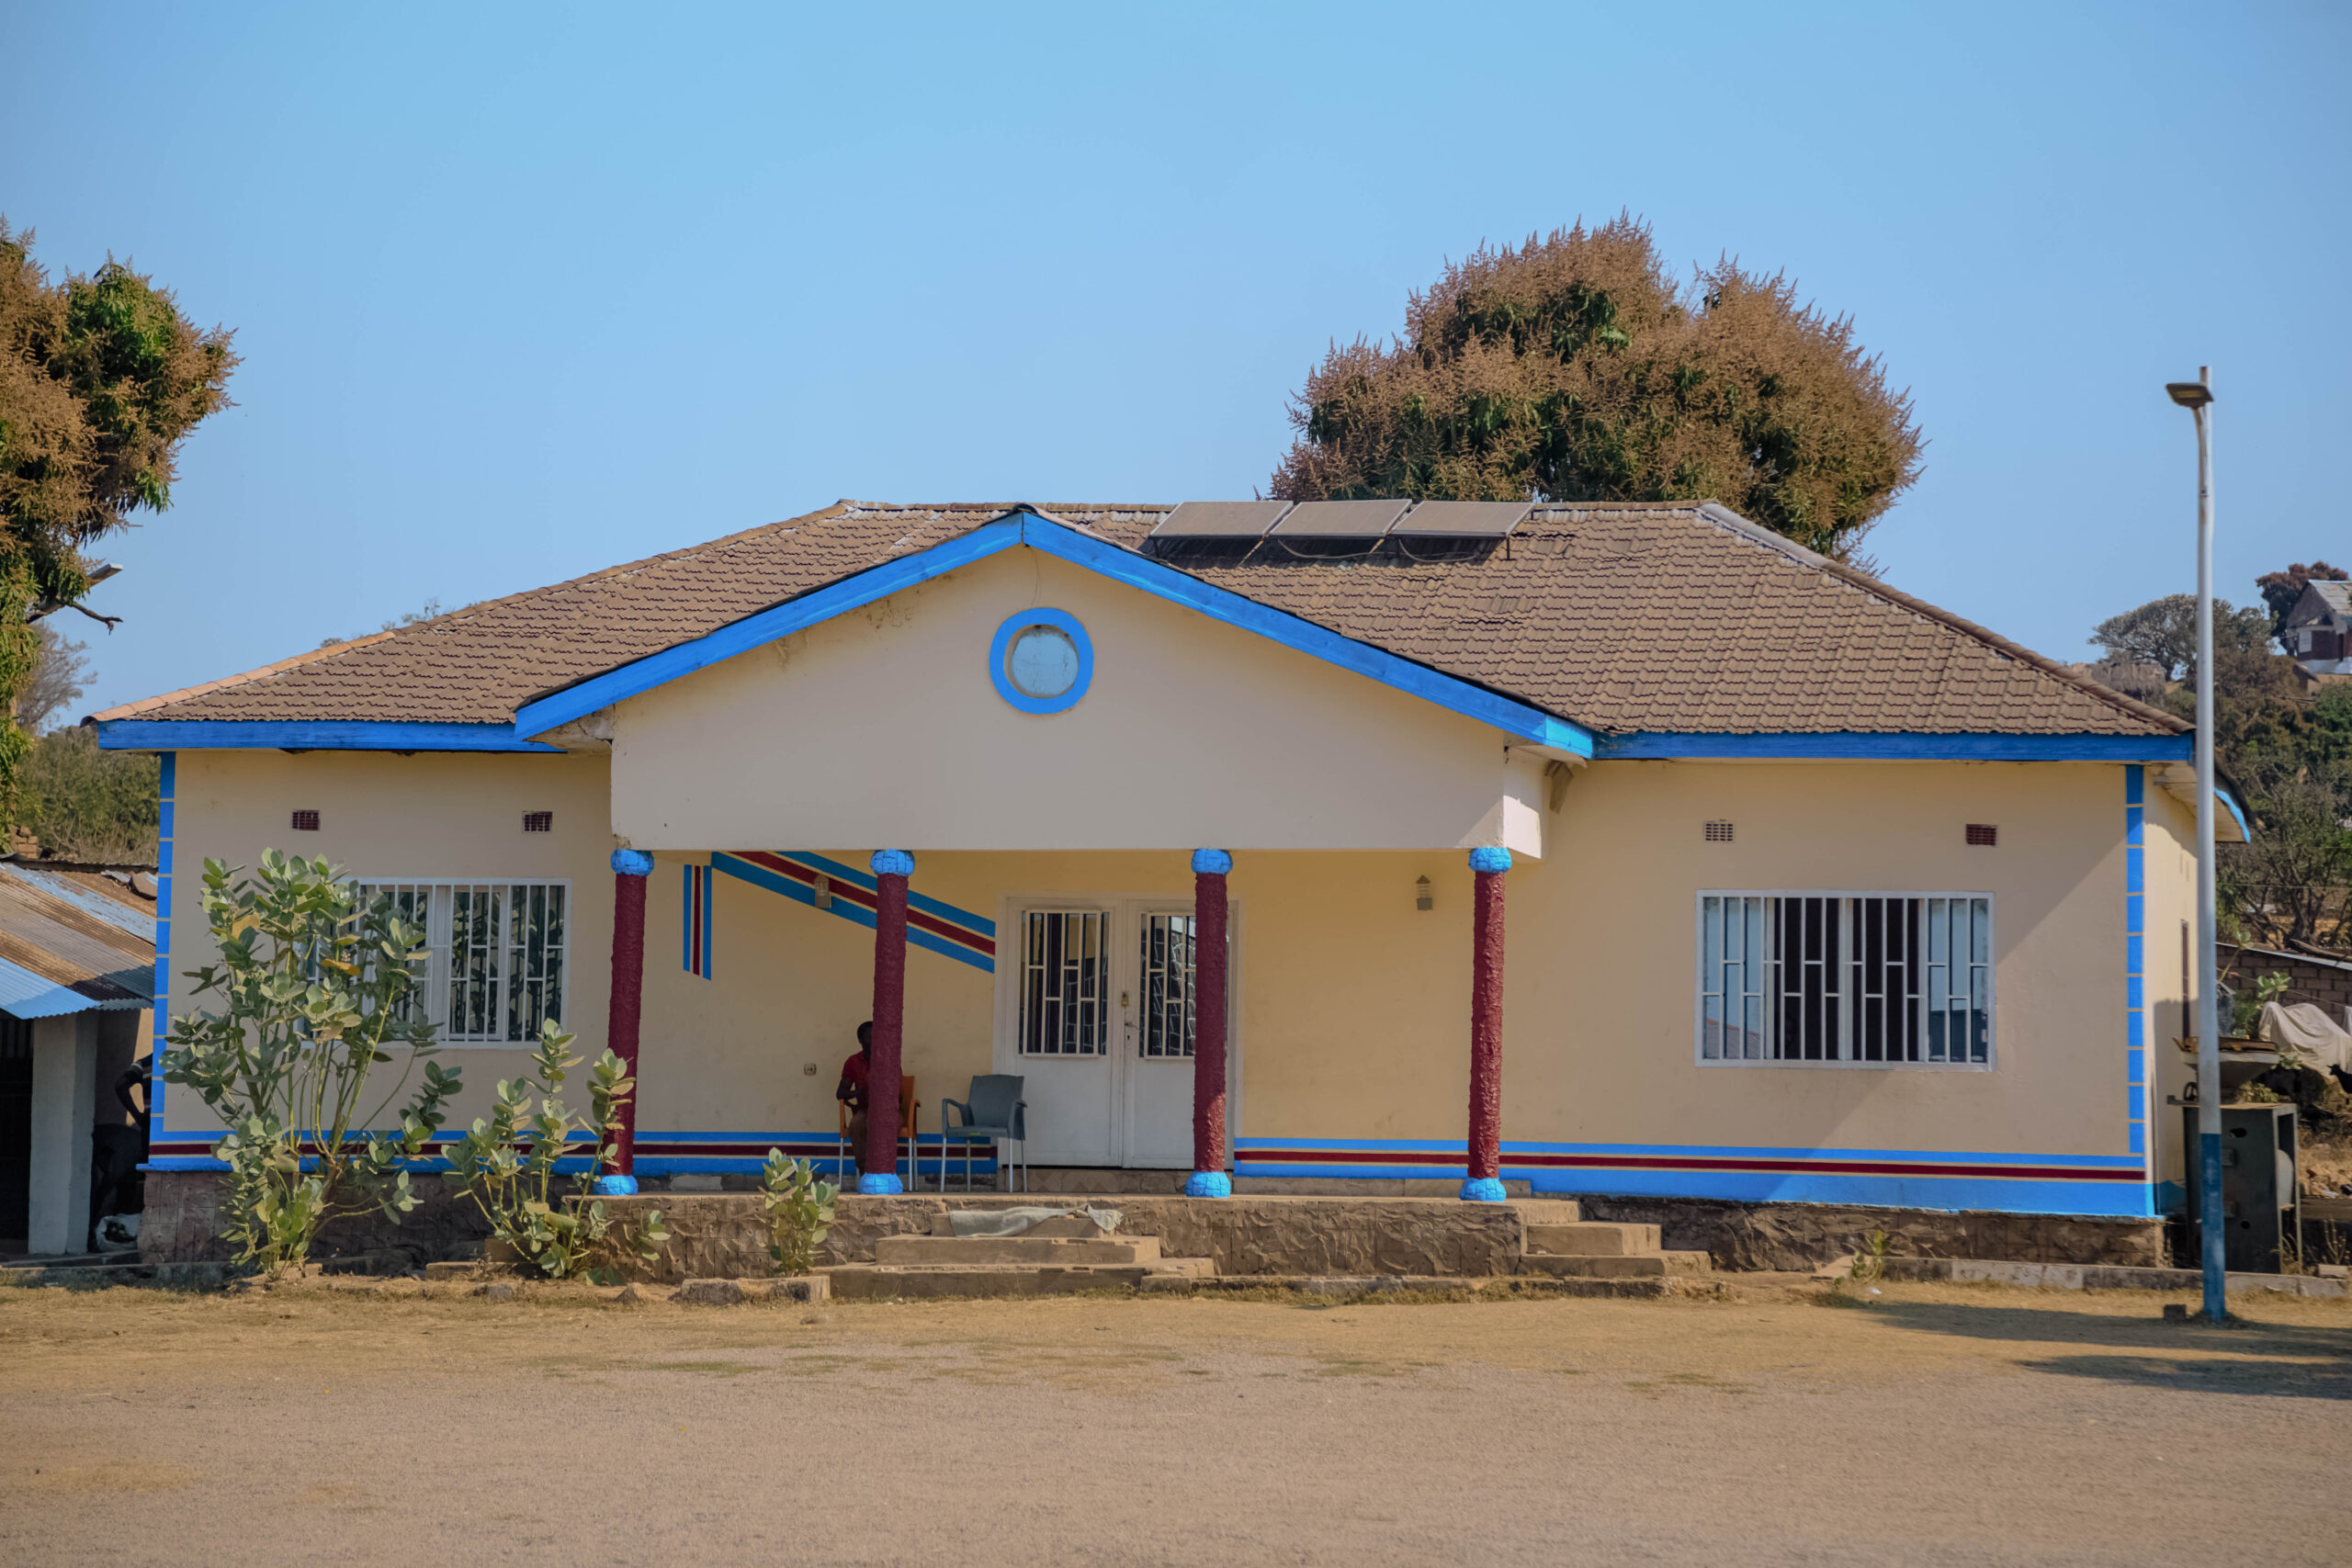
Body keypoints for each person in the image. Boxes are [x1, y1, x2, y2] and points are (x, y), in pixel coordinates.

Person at [836, 1021, 873, 1175]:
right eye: (870, 1037)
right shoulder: (853, 1062)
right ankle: (864, 1171)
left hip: (890, 1111)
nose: (875, 1041)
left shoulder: (889, 1059)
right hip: (865, 1110)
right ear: (861, 1041)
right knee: (856, 1124)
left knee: (885, 1127)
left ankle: (885, 1170)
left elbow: (898, 1093)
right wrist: (858, 1093)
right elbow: (840, 1093)